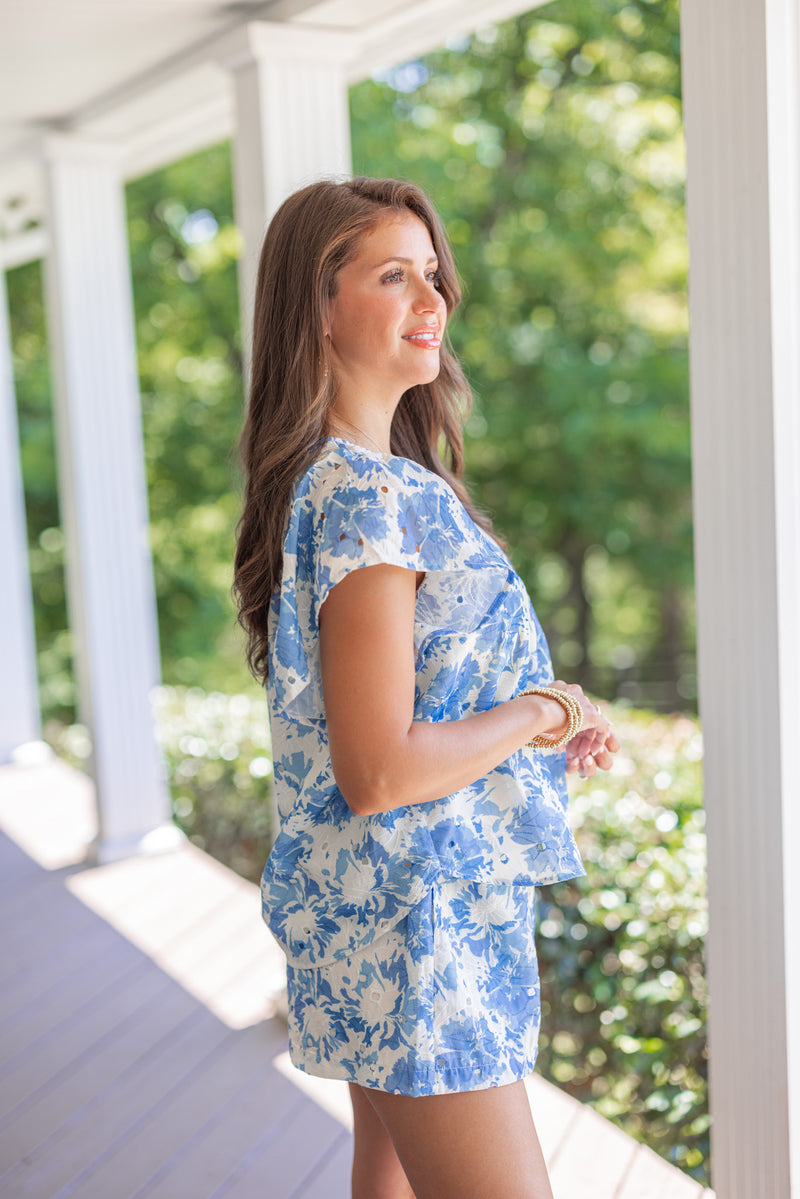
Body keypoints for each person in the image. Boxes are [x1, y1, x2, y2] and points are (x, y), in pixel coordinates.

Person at [233, 175, 620, 1199]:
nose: (431, 300)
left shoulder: (337, 481)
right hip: (418, 927)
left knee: (387, 1176)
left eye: (432, 274)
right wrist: (548, 707)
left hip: (387, 909)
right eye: (391, 275)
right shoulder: (365, 493)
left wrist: (521, 720)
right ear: (314, 310)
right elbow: (378, 768)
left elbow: (394, 728)